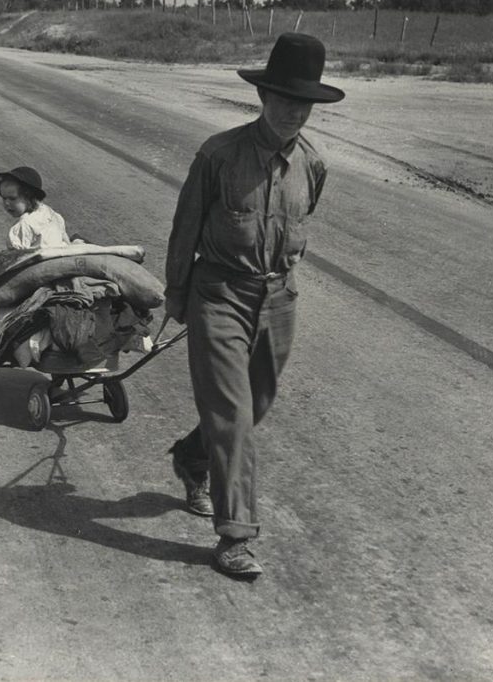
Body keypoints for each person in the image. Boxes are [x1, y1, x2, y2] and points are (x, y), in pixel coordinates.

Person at [164, 33, 345, 579]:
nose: (294, 112)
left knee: (255, 405)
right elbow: (185, 230)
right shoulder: (218, 155)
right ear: (262, 98)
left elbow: (302, 222)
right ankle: (234, 538)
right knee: (234, 415)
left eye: (304, 104)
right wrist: (176, 293)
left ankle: (193, 459)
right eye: (285, 100)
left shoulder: (312, 165)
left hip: (278, 299)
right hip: (218, 294)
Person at [0, 166, 72, 250]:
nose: (7, 203)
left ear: (29, 197)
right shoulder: (52, 215)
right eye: (4, 198)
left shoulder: (23, 226)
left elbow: (16, 257)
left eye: (12, 198)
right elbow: (66, 241)